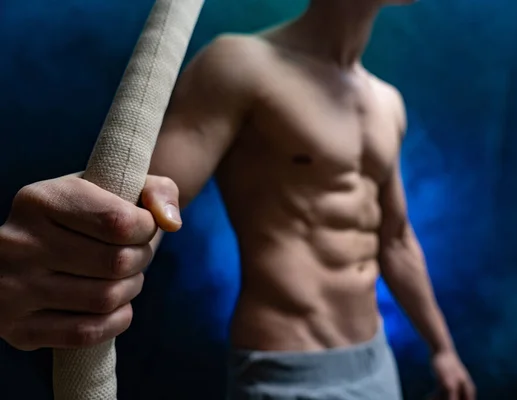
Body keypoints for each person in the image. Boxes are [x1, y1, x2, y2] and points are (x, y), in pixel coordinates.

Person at [0, 0, 475, 399]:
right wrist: (78, 252)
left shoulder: (387, 102)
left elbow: (394, 239)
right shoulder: (242, 65)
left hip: (376, 360)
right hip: (287, 369)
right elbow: (146, 205)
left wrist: (442, 348)